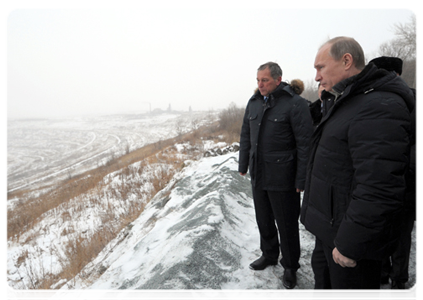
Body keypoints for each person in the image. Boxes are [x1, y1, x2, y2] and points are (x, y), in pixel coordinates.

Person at [300, 37, 414, 300]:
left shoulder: (379, 106)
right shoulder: (348, 101)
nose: (316, 77)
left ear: (347, 61)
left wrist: (350, 244)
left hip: (351, 245)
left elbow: (379, 186)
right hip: (332, 230)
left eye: (321, 68)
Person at [238, 62, 313, 289]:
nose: (260, 85)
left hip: (283, 176)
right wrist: (243, 163)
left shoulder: (295, 105)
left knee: (286, 223)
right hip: (258, 173)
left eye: (265, 80)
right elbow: (245, 137)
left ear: (278, 80)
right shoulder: (253, 104)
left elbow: (305, 145)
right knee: (263, 218)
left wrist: (301, 179)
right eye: (258, 80)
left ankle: (290, 266)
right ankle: (269, 254)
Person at [369, 56, 420, 300]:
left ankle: (399, 281)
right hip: (377, 182)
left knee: (401, 237)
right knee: (380, 231)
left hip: (405, 182)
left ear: (393, 74)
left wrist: (403, 164)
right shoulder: (372, 100)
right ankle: (383, 270)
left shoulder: (416, 101)